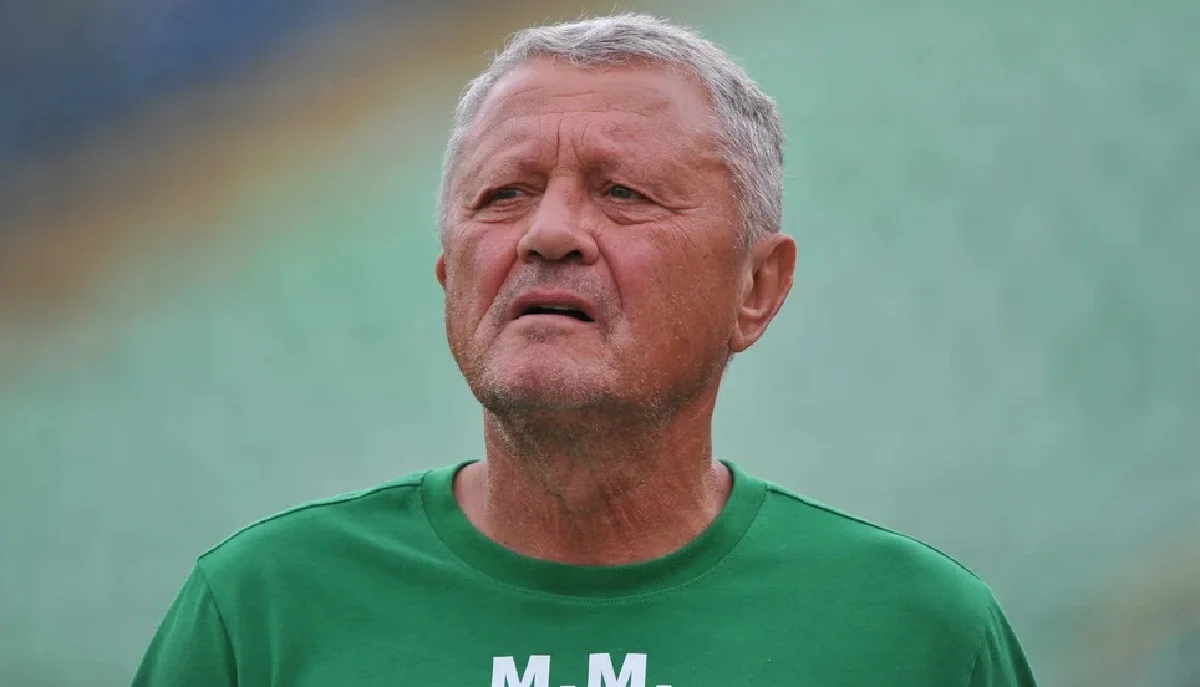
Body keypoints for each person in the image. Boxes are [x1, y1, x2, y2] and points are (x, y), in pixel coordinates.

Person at [132, 13, 1038, 686]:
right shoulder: (260, 614)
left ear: (757, 287)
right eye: (504, 194)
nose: (550, 233)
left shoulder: (917, 634)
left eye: (623, 192)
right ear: (450, 277)